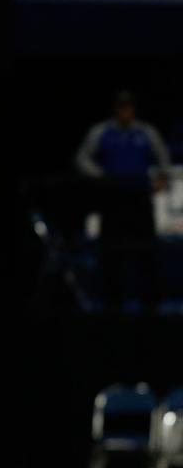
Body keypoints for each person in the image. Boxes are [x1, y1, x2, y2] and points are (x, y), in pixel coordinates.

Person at [74, 89, 172, 311]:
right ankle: (112, 302)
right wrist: (101, 176)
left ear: (133, 109)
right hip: (112, 200)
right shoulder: (101, 131)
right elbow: (82, 159)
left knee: (145, 251)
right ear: (115, 109)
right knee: (112, 251)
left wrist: (161, 177)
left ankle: (151, 302)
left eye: (128, 106)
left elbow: (163, 155)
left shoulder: (146, 131)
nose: (125, 111)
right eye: (121, 106)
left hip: (139, 198)